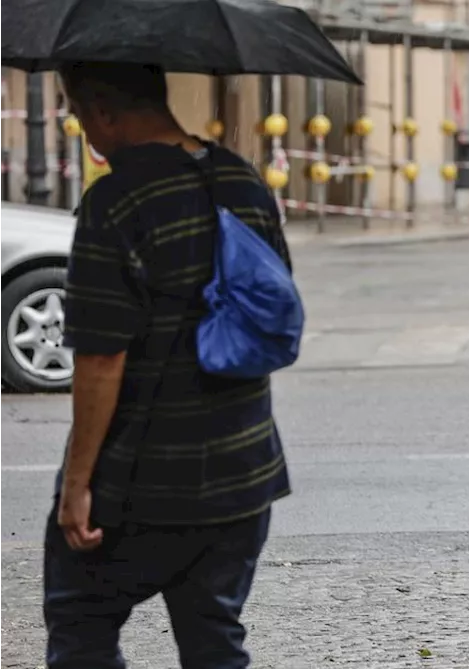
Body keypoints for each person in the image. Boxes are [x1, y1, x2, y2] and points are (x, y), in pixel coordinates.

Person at [46, 62, 292, 668]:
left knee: (81, 628)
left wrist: (77, 486)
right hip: (243, 472)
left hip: (142, 481)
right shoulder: (243, 182)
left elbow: (101, 358)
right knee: (215, 640)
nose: (85, 131)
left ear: (104, 112)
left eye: (79, 116)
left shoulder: (115, 201)